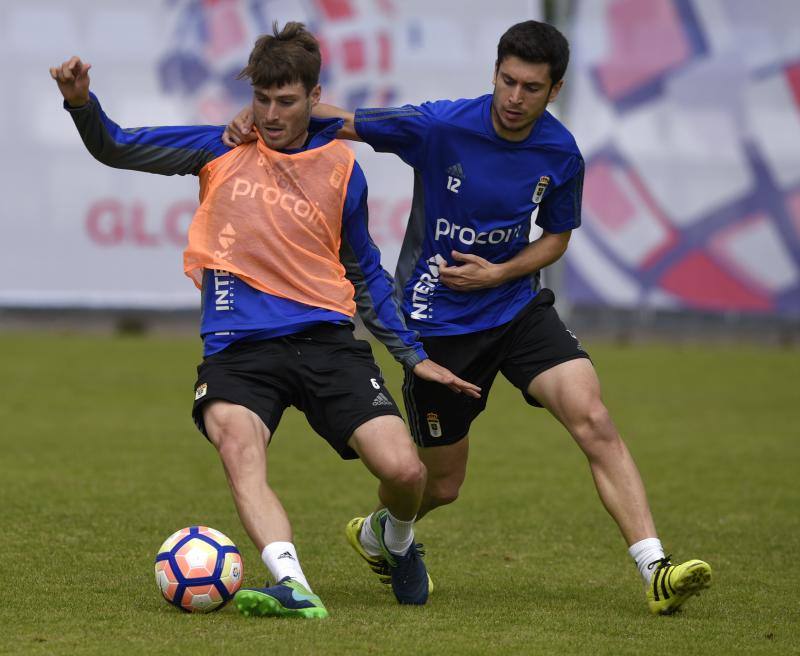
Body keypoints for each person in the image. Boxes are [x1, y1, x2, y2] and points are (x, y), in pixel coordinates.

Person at [224, 20, 712, 615]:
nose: (514, 98)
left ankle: (654, 568)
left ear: (554, 90)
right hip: (437, 326)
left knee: (594, 417)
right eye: (507, 81)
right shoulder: (441, 126)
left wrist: (500, 273)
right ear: (494, 74)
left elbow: (556, 237)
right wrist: (254, 122)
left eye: (531, 88)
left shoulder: (560, 153)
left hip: (516, 310)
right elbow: (338, 118)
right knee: (443, 485)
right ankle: (386, 532)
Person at [50, 21, 481, 618]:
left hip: (327, 340)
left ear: (313, 97)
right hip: (239, 348)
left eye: (286, 101)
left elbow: (366, 274)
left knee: (406, 471)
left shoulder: (340, 169)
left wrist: (414, 356)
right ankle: (292, 583)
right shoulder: (220, 147)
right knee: (237, 445)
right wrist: (80, 103)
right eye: (262, 99)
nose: (272, 113)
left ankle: (396, 541)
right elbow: (117, 146)